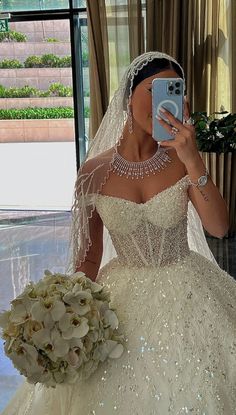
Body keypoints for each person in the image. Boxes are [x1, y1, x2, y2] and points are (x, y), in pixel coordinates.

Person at [2, 51, 236, 414]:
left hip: (189, 289)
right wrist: (64, 316)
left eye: (172, 91)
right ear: (128, 97)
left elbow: (219, 227)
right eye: (151, 89)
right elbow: (90, 256)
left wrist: (193, 159)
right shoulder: (93, 172)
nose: (162, 101)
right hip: (119, 299)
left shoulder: (182, 159)